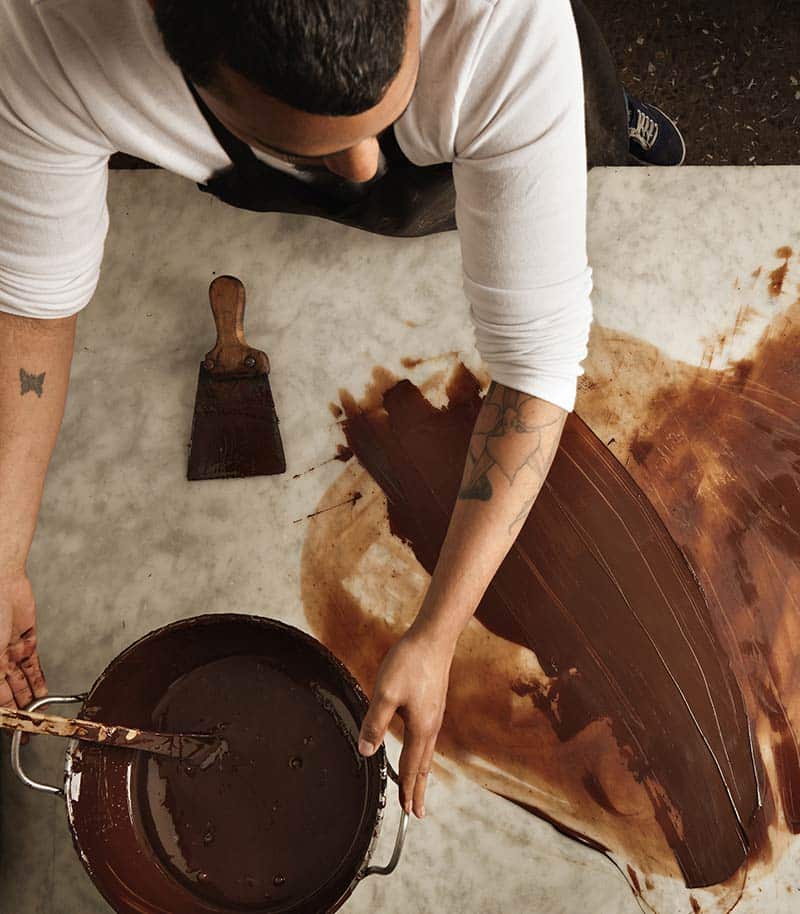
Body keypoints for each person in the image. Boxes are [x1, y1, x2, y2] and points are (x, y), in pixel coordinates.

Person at [0, 0, 684, 820]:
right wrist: (3, 555)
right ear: (186, 66)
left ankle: (608, 121)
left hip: (505, 96)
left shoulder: (506, 25)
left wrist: (438, 632)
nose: (363, 170)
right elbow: (29, 311)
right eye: (308, 144)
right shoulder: (45, 38)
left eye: (382, 113)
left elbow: (536, 365)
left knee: (578, 129)